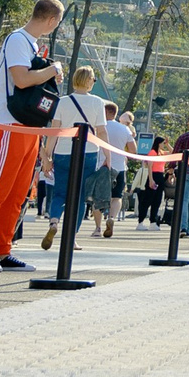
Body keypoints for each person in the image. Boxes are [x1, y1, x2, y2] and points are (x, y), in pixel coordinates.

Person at [0, 0, 65, 271]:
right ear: (51, 20)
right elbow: (21, 79)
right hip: (10, 124)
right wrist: (52, 69)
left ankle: (3, 249)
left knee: (18, 194)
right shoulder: (17, 39)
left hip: (28, 126)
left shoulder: (30, 44)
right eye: (57, 22)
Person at [40, 66, 113, 253]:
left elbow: (54, 130)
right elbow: (102, 131)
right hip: (87, 152)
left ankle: (54, 222)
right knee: (80, 197)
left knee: (59, 193)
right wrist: (108, 155)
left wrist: (47, 156)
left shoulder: (62, 102)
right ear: (89, 81)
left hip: (63, 151)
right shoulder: (97, 103)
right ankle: (71, 237)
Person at [94, 101, 134, 236]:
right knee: (117, 197)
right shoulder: (124, 129)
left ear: (106, 112)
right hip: (120, 167)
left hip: (101, 166)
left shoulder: (98, 127)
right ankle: (111, 218)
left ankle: (98, 228)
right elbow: (133, 150)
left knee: (98, 199)